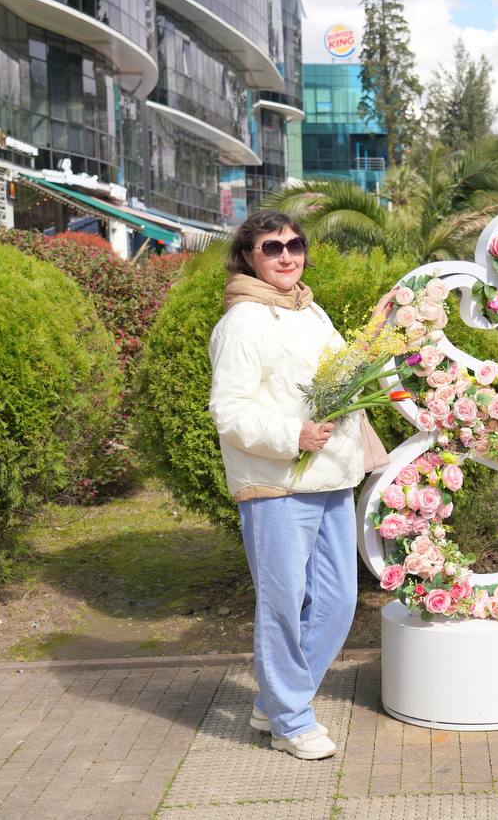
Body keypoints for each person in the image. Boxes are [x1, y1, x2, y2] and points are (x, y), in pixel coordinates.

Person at [209, 211, 394, 761]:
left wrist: (376, 334)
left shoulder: (308, 308)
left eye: (295, 244)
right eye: (272, 247)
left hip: (330, 479)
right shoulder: (242, 322)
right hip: (277, 486)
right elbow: (229, 411)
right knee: (283, 606)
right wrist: (295, 434)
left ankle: (275, 699)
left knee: (336, 603)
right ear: (249, 257)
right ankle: (290, 720)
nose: (287, 256)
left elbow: (338, 374)